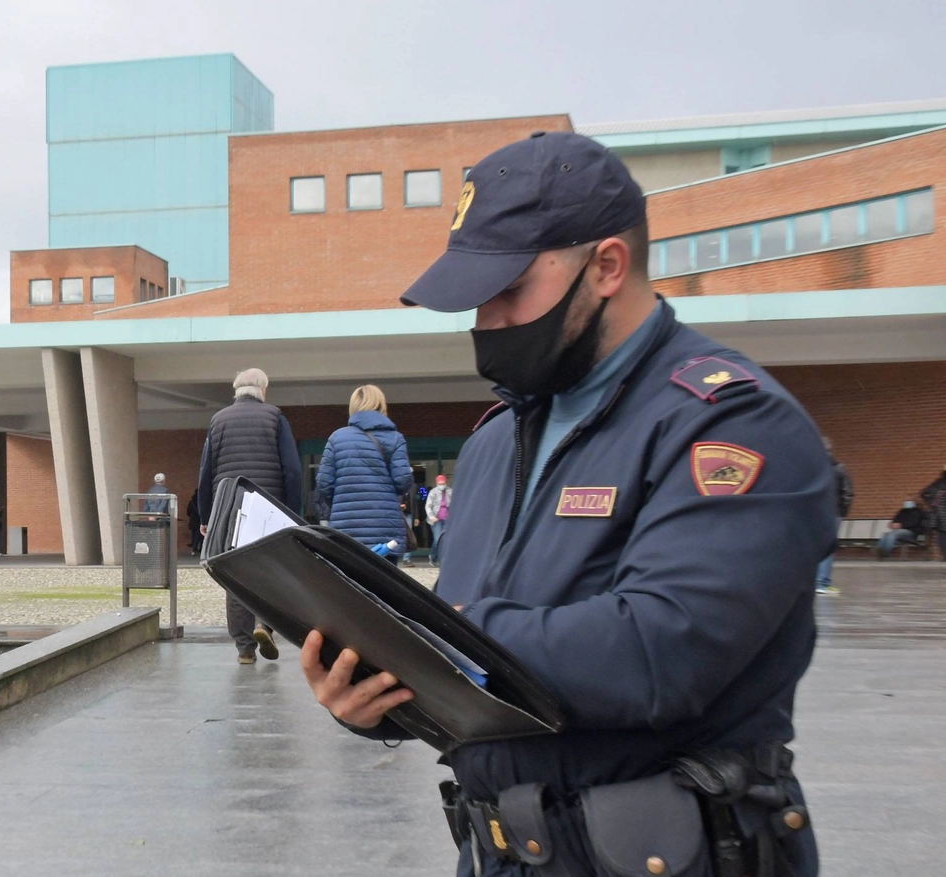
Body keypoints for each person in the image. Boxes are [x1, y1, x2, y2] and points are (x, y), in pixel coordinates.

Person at [300, 132, 831, 877]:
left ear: (607, 265)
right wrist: (382, 690)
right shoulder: (494, 442)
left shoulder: (729, 423)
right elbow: (485, 672)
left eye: (509, 290)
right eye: (475, 300)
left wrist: (439, 640)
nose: (486, 322)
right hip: (505, 852)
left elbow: (662, 648)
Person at [198, 367, 303, 665]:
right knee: (270, 571)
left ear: (236, 390)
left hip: (230, 510)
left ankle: (244, 648)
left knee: (235, 575)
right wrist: (292, 514)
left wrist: (207, 516)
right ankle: (264, 624)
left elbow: (206, 473)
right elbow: (293, 470)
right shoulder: (275, 418)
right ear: (263, 390)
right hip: (268, 508)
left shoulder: (217, 421)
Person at [314, 384, 412, 564]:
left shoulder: (337, 438)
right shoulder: (395, 438)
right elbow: (403, 482)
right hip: (385, 529)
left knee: (349, 587)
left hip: (346, 530)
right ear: (381, 404)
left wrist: (341, 503)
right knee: (387, 587)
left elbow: (323, 484)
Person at [815, 437, 853, 594]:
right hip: (833, 512)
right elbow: (848, 493)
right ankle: (822, 582)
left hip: (814, 512)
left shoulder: (811, 469)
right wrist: (842, 511)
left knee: (813, 547)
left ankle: (813, 582)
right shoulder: (839, 468)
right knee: (828, 548)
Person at [424, 473, 452, 566]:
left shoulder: (450, 491)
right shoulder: (433, 492)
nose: (442, 485)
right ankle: (433, 557)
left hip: (447, 519)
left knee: (445, 540)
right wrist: (432, 516)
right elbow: (428, 506)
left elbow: (455, 504)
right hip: (436, 520)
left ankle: (443, 560)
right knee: (437, 540)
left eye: (443, 483)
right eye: (440, 483)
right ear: (437, 483)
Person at [922, 465, 946, 560]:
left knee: (942, 535)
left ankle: (945, 556)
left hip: (939, 514)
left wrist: (933, 503)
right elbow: (924, 493)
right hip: (941, 514)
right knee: (943, 535)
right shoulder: (940, 483)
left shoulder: (938, 483)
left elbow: (924, 493)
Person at [186, 488, 203, 556]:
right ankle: (200, 548)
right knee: (200, 534)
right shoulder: (202, 501)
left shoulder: (192, 501)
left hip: (193, 519)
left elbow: (188, 512)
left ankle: (194, 547)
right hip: (199, 519)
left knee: (193, 534)